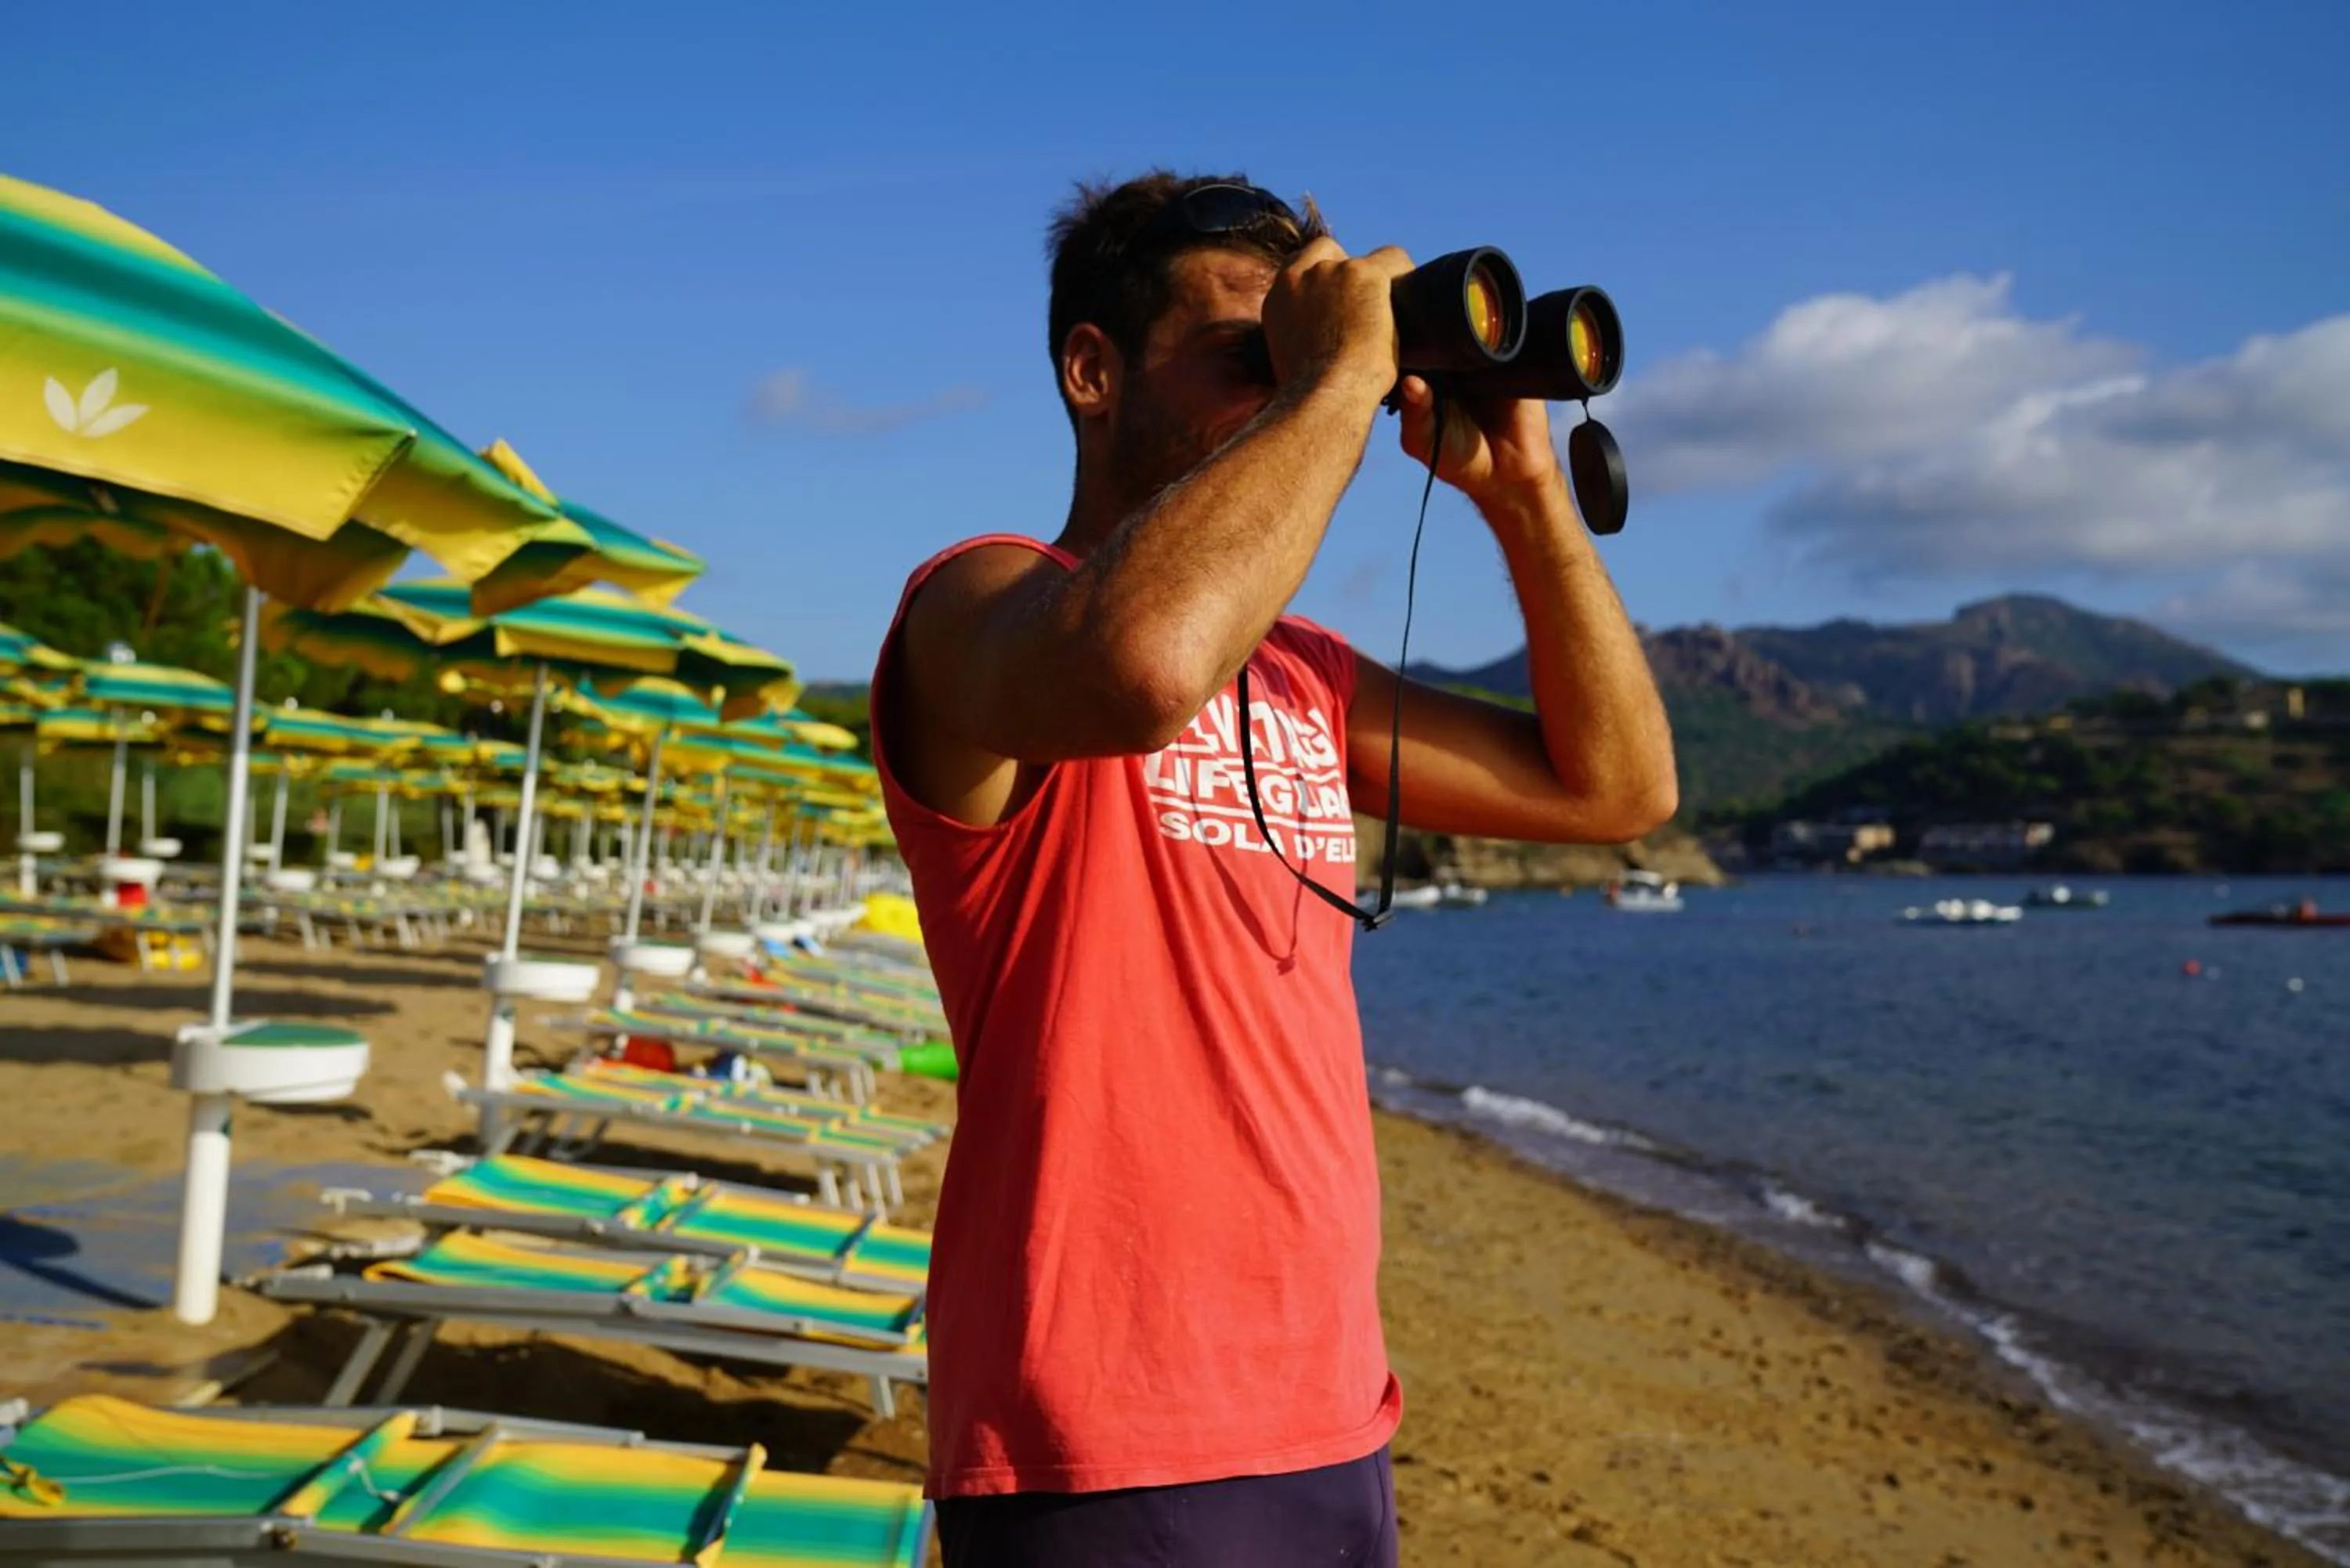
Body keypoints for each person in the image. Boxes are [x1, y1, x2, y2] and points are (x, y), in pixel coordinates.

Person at [870, 170, 1676, 1566]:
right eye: (1251, 347)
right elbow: (1139, 664)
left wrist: (1527, 495)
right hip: (1104, 1432)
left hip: (1327, 1405)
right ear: (1091, 370)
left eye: (1307, 349)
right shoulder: (978, 610)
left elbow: (1617, 786)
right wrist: (1337, 382)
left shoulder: (1304, 676)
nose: (1303, 378)